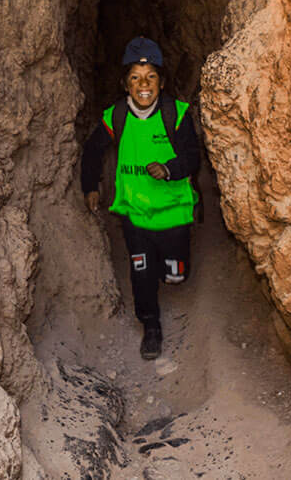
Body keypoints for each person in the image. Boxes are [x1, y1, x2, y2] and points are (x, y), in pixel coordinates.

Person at [81, 37, 201, 360]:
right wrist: (89, 185)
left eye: (150, 77)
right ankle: (151, 327)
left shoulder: (176, 114)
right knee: (142, 273)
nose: (143, 85)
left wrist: (169, 168)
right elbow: (92, 150)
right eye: (135, 77)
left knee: (175, 275)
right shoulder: (116, 116)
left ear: (161, 82)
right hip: (135, 216)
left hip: (173, 213)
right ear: (126, 84)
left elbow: (193, 157)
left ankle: (171, 268)